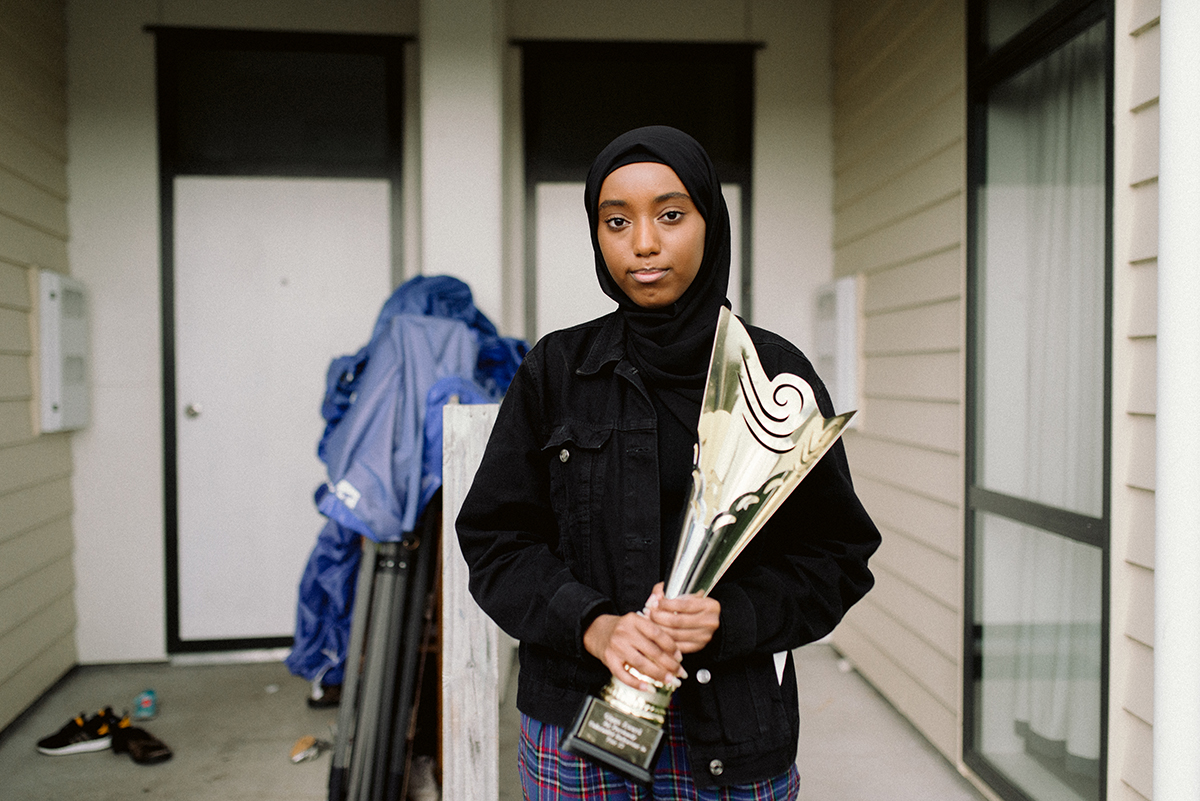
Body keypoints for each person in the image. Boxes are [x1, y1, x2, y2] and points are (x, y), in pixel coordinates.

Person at [456, 125, 881, 799]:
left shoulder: (772, 376)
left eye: (671, 215)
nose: (644, 243)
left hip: (732, 732)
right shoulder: (556, 372)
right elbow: (496, 542)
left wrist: (729, 616)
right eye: (616, 220)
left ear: (710, 222)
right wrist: (592, 624)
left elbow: (836, 556)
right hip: (577, 727)